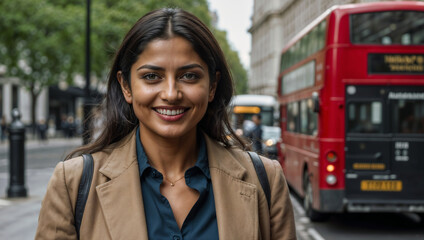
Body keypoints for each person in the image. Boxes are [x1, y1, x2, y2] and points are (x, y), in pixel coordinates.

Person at [35, 8, 296, 240]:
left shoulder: (266, 180)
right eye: (151, 76)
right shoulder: (72, 184)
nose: (171, 93)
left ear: (212, 86)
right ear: (126, 86)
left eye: (189, 76)